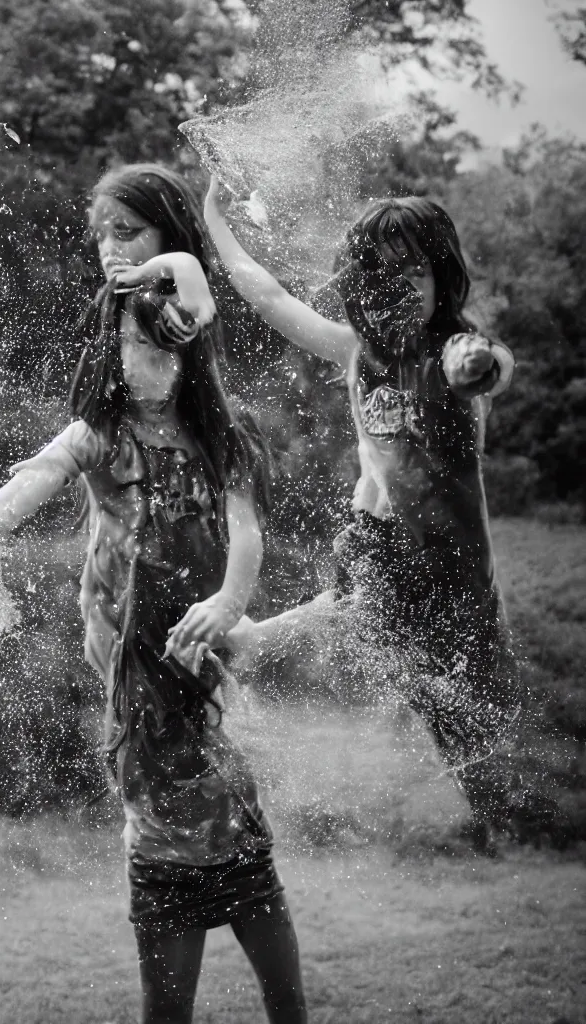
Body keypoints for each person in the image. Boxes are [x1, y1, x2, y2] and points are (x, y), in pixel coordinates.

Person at [0, 164, 307, 1024]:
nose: (108, 251)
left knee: (248, 889)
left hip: (200, 681)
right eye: (98, 234)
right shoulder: (98, 433)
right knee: (169, 881)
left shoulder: (225, 429)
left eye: (125, 232)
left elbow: (246, 530)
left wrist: (231, 603)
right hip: (135, 685)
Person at [197, 178, 522, 834]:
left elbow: (490, 367)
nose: (396, 287)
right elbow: (266, 293)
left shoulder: (453, 354)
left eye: (412, 271)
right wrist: (215, 216)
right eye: (379, 273)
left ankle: (505, 820)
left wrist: (474, 364)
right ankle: (247, 655)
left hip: (457, 580)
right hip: (379, 554)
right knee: (355, 617)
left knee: (484, 742)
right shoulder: (357, 353)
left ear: (442, 276)